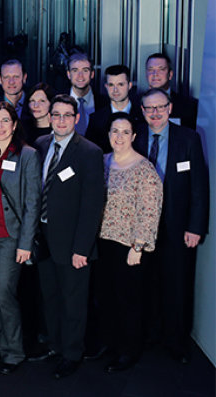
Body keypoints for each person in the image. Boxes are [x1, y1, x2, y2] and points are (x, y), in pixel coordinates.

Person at [134, 88, 209, 363]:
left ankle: (175, 341)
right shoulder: (135, 137)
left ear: (170, 108)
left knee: (176, 284)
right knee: (146, 282)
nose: (155, 113)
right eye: (149, 108)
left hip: (178, 227)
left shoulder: (188, 139)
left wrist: (196, 226)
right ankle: (150, 334)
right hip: (142, 227)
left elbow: (199, 188)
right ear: (142, 111)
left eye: (160, 107)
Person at [33, 95, 104, 379]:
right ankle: (55, 344)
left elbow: (92, 205)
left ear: (77, 119)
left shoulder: (89, 152)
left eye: (67, 115)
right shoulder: (40, 145)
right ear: (49, 117)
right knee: (49, 296)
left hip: (73, 241)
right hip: (44, 234)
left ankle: (72, 353)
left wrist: (82, 248)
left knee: (73, 300)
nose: (61, 120)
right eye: (56, 114)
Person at [0, 102, 41, 375]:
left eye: (5, 120)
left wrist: (26, 242)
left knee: (5, 293)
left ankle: (13, 351)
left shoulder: (27, 155)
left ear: (14, 124)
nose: (0, 126)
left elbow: (33, 203)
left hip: (10, 237)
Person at [96, 113, 163, 373]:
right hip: (102, 242)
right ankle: (110, 344)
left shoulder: (144, 169)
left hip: (129, 247)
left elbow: (149, 211)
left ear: (134, 136)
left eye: (125, 132)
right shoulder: (101, 162)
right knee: (106, 297)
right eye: (115, 131)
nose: (119, 137)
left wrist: (138, 247)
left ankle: (128, 351)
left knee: (128, 301)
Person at [86, 65, 143, 153]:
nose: (115, 90)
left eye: (120, 84)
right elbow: (90, 152)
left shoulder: (142, 115)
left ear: (130, 85)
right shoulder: (96, 119)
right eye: (111, 85)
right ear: (106, 86)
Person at [144, 53, 198, 129]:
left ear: (170, 75)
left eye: (161, 69)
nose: (155, 74)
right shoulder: (134, 104)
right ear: (146, 74)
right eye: (151, 69)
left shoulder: (189, 105)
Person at [64, 53, 109, 136]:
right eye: (75, 70)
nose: (80, 76)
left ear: (92, 74)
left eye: (85, 70)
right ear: (68, 74)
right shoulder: (56, 100)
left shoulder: (106, 103)